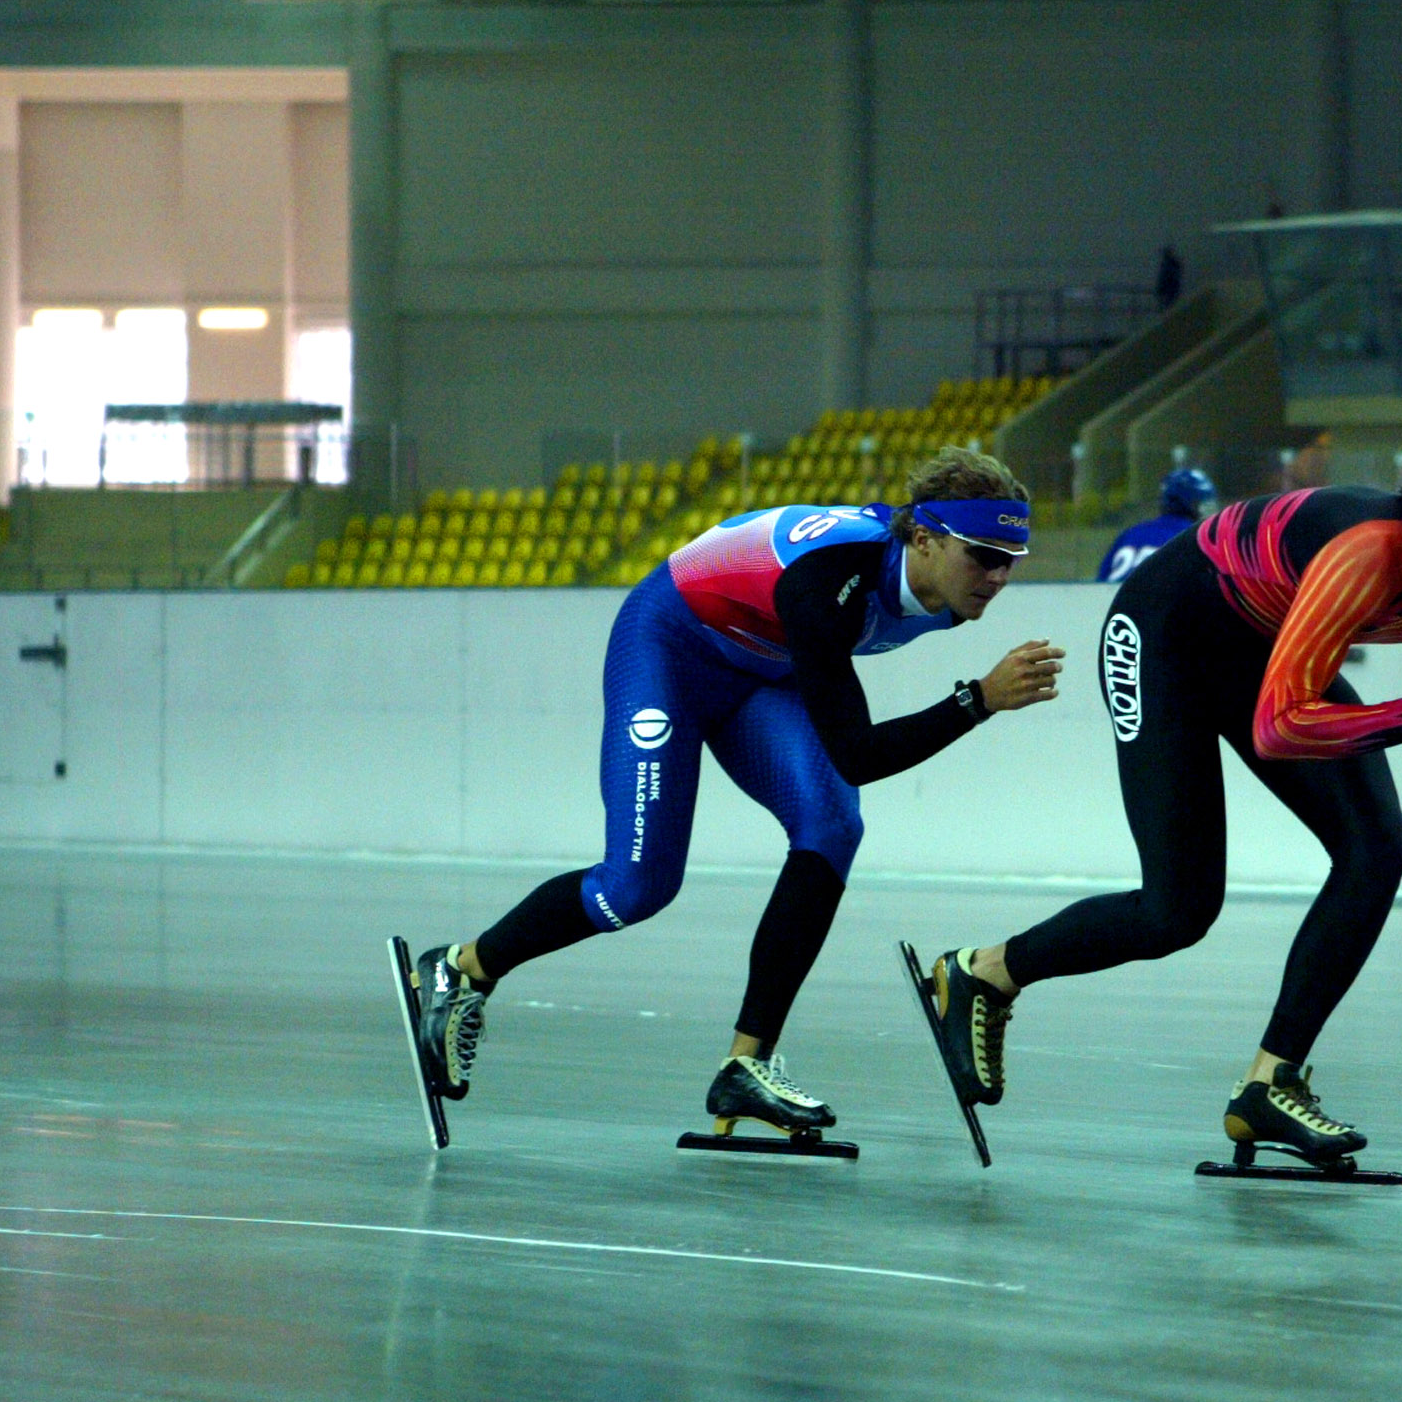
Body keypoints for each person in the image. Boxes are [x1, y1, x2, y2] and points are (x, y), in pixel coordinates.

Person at [910, 453, 1402, 1167]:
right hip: (1161, 636)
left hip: (1253, 649)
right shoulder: (1374, 551)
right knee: (1177, 910)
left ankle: (1272, 1083)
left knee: (1377, 850)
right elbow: (1281, 728)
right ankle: (984, 972)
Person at [399, 449, 1066, 1140]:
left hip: (760, 666)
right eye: (984, 555)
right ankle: (461, 969)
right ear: (922, 539)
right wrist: (978, 700)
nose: (998, 576)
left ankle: (746, 1068)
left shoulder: (947, 596)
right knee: (636, 887)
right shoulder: (831, 582)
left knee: (833, 826)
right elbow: (858, 754)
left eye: (1012, 559)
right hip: (670, 648)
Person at [1097, 467, 1216, 582]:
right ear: (1192, 505)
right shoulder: (1194, 539)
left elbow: (1100, 581)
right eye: (1204, 505)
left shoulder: (1130, 534)